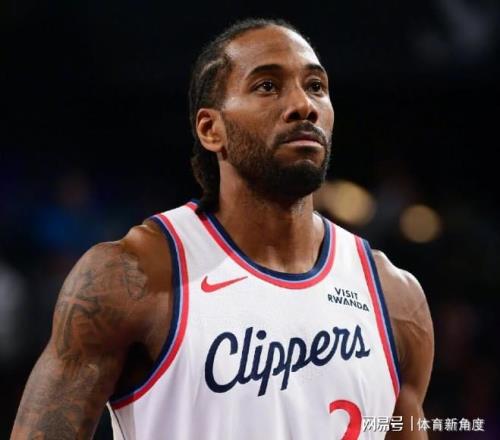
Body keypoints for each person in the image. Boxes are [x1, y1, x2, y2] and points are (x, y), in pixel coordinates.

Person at [11, 18, 434, 439]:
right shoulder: (131, 277)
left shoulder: (394, 297)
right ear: (211, 130)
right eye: (267, 86)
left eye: (316, 86)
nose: (303, 105)